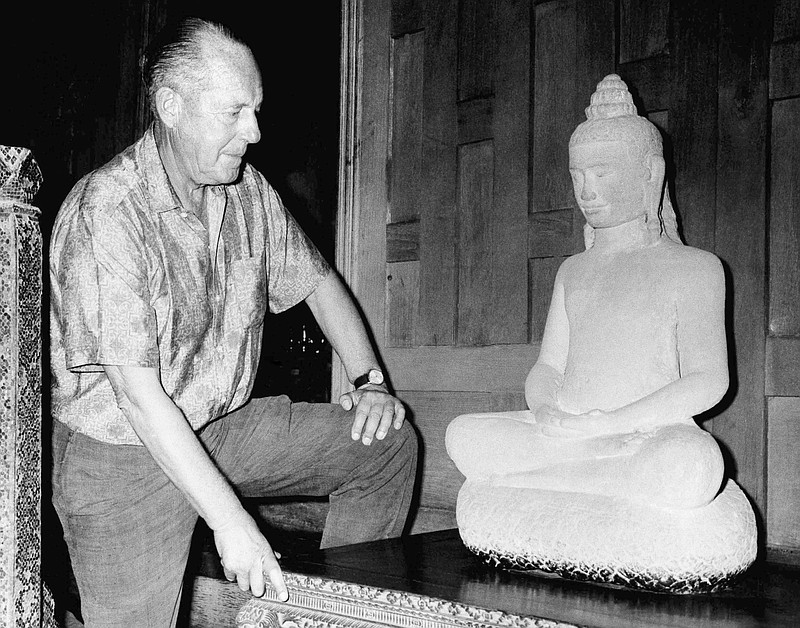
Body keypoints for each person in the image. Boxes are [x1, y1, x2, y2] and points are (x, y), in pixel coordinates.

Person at [49, 17, 417, 627]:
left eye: (257, 109)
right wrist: (233, 523)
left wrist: (370, 382)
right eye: (234, 111)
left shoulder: (247, 191)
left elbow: (320, 285)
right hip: (123, 452)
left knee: (387, 443)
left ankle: (326, 616)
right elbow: (140, 399)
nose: (254, 130)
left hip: (220, 424)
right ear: (171, 106)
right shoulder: (108, 211)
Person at [446, 74, 726, 510]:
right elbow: (548, 367)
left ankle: (551, 488)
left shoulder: (695, 268)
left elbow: (709, 380)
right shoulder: (572, 271)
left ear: (650, 173)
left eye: (600, 173)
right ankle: (600, 482)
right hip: (569, 435)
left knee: (691, 465)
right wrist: (544, 412)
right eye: (577, 175)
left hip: (646, 435)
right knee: (463, 434)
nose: (586, 191)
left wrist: (613, 422)